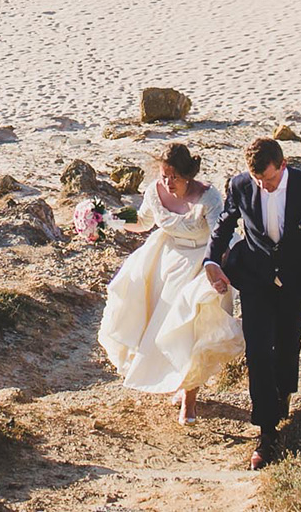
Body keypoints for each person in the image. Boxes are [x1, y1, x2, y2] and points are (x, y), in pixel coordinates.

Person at [204, 137, 301, 470]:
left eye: (269, 180)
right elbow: (224, 224)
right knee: (257, 351)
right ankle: (267, 432)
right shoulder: (241, 185)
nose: (264, 186)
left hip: (296, 278)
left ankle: (284, 392)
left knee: (288, 346)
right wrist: (211, 261)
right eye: (259, 181)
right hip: (255, 278)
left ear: (282, 165)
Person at [98, 143, 243, 423]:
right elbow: (142, 221)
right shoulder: (155, 191)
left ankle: (189, 401)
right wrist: (107, 219)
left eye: (174, 177)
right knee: (157, 323)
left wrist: (216, 270)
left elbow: (220, 236)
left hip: (206, 259)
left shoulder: (208, 197)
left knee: (193, 327)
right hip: (167, 259)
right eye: (164, 175)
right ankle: (176, 380)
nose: (168, 182)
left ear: (188, 174)